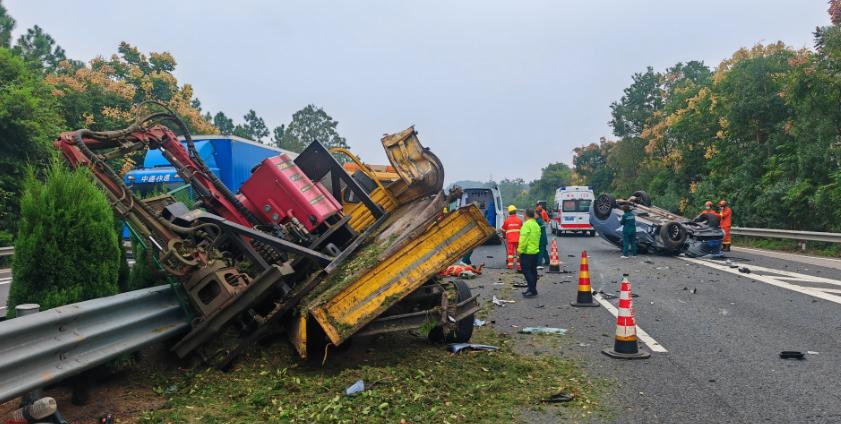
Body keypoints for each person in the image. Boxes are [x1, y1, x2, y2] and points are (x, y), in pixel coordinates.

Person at [518, 208, 541, 297]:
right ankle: (532, 288)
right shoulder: (536, 225)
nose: (523, 215)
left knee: (526, 271)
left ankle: (532, 290)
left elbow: (523, 239)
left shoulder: (526, 225)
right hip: (535, 252)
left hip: (527, 252)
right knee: (533, 271)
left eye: (524, 214)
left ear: (526, 215)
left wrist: (520, 250)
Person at [501, 205, 523, 270]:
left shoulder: (507, 221)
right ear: (515, 212)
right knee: (519, 252)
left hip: (510, 239)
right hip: (518, 239)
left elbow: (503, 230)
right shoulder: (519, 220)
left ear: (509, 212)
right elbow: (522, 230)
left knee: (510, 253)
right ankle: (519, 266)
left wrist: (504, 236)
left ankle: (510, 266)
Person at [535, 203, 550, 268]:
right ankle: (547, 261)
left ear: (538, 215)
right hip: (542, 239)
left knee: (541, 251)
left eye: (534, 214)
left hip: (541, 239)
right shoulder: (538, 220)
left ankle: (539, 263)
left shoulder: (538, 221)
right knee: (544, 251)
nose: (534, 215)